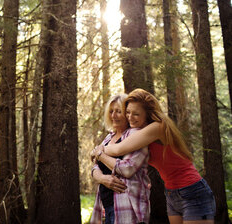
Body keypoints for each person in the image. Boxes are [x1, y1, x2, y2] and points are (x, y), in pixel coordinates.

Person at [102, 88, 216, 224]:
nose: (130, 117)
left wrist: (98, 151)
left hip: (192, 191)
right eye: (128, 112)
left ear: (148, 114)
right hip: (171, 192)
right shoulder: (138, 132)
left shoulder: (158, 127)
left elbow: (118, 149)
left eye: (136, 114)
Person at [90, 93, 150, 224]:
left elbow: (127, 168)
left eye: (118, 111)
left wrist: (100, 155)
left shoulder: (135, 135)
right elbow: (94, 166)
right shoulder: (109, 137)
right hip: (107, 206)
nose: (113, 116)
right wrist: (102, 178)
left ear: (127, 113)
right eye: (111, 111)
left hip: (127, 207)